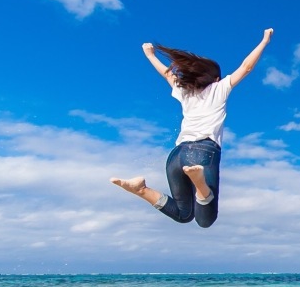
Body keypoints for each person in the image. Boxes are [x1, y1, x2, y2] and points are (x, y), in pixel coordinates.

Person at [110, 28, 273, 227]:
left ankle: (141, 190)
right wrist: (264, 41)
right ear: (215, 79)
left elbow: (167, 74)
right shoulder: (218, 88)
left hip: (176, 155)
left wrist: (149, 55)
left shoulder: (184, 91)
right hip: (203, 152)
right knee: (205, 220)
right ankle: (199, 182)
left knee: (184, 215)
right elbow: (246, 67)